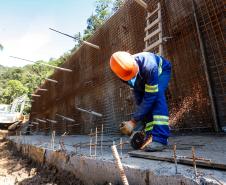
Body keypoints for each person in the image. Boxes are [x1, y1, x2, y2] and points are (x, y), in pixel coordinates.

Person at [110, 51, 171, 151]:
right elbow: (139, 95)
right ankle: (150, 133)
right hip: (142, 80)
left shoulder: (149, 65)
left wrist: (133, 121)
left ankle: (160, 139)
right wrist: (135, 119)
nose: (132, 76)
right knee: (140, 102)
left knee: (157, 96)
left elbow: (151, 96)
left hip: (162, 72)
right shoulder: (123, 73)